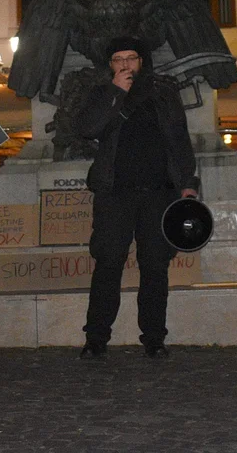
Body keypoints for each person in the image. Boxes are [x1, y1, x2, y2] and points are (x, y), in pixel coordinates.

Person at [75, 36, 199, 360]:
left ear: (142, 61)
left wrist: (188, 183)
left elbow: (179, 140)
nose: (126, 64)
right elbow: (87, 128)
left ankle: (155, 338)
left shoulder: (163, 92)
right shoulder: (102, 92)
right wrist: (116, 91)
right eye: (119, 59)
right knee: (108, 265)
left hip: (160, 195)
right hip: (115, 194)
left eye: (132, 58)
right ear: (111, 65)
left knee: (155, 267)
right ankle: (96, 338)